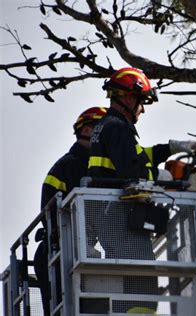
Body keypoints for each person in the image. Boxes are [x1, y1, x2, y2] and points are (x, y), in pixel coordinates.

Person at [87, 67, 196, 313]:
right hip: (121, 217)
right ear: (129, 97)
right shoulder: (119, 128)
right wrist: (166, 178)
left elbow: (139, 157)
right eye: (141, 103)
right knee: (143, 285)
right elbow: (133, 172)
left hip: (110, 216)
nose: (142, 110)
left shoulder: (108, 126)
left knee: (130, 282)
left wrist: (174, 147)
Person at [33, 107, 107, 315]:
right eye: (101, 131)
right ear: (87, 130)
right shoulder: (74, 166)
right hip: (58, 253)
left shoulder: (87, 165)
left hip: (74, 252)